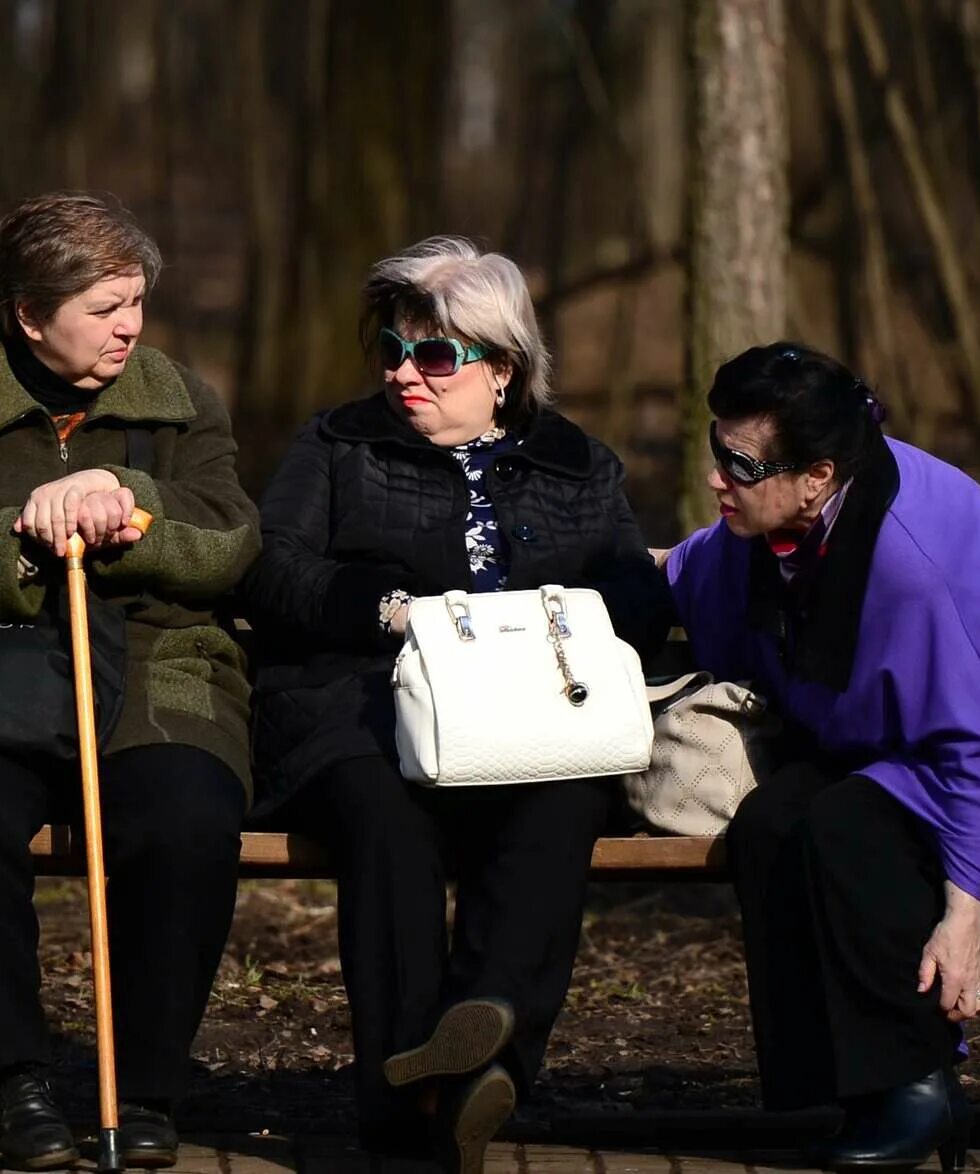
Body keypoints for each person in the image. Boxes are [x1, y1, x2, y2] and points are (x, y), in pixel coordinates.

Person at [660, 342, 980, 1173]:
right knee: (770, 823)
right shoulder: (780, 514)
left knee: (844, 824)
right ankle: (837, 1090)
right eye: (716, 450)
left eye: (739, 464)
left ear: (817, 477)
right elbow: (691, 573)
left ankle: (919, 1088)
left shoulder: (913, 558)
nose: (718, 476)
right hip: (896, 743)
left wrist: (966, 913)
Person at [237, 236, 672, 1172]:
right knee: (384, 821)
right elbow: (272, 567)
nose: (406, 377)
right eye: (393, 353)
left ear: (503, 369)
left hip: (531, 716)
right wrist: (389, 611)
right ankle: (409, 1116)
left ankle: (482, 1056)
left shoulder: (576, 465)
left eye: (434, 357)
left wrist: (556, 625)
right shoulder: (338, 444)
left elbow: (635, 591)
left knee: (562, 802)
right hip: (358, 708)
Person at [0, 192, 260, 1169]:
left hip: (158, 674)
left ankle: (148, 1091)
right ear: (29, 316)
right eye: (103, 308)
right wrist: (15, 542)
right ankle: (15, 1082)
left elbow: (231, 541)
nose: (128, 327)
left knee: (188, 814)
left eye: (134, 303)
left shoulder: (182, 401)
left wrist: (130, 505)